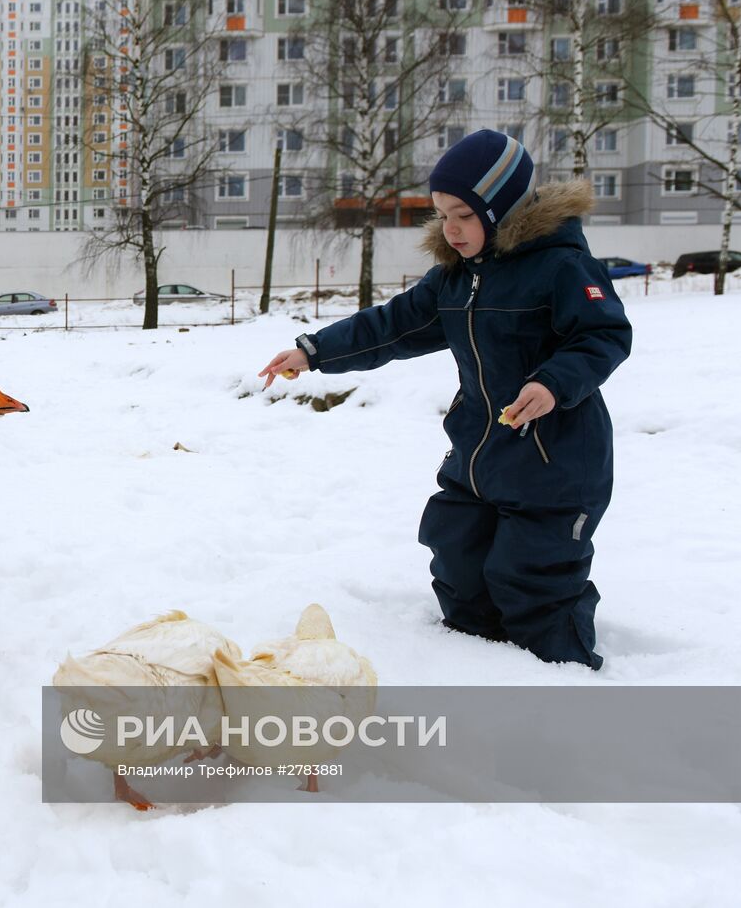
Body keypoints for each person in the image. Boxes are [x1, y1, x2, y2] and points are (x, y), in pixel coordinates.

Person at [259, 130, 631, 669]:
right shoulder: (457, 280)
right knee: (458, 563)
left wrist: (552, 383)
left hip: (557, 463)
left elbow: (604, 336)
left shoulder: (562, 267)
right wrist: (314, 352)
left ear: (502, 210)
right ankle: (475, 670)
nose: (449, 229)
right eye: (441, 215)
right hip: (478, 454)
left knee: (531, 580)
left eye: (462, 215)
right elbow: (390, 326)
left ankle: (563, 682)